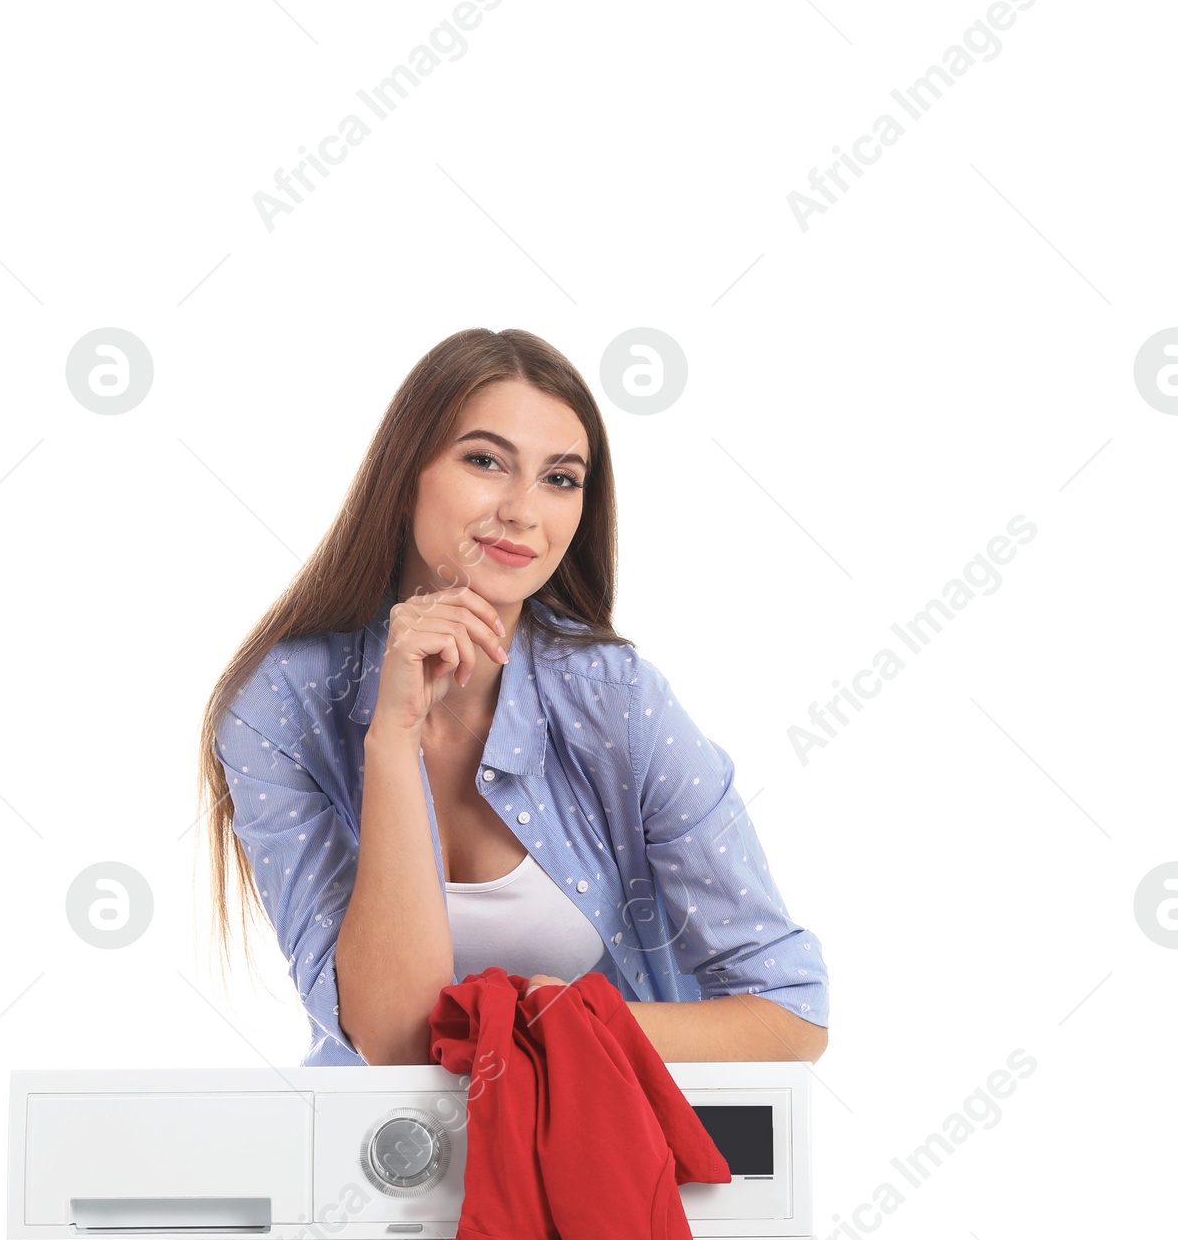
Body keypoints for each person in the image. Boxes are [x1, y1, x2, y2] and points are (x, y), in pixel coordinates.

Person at [198, 327, 827, 1068]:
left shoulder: (620, 705)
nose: (524, 511)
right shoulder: (277, 707)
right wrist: (392, 739)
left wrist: (553, 1024)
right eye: (486, 461)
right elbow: (395, 1038)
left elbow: (790, 1011)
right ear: (404, 477)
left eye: (560, 478)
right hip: (378, 1166)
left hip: (596, 1163)